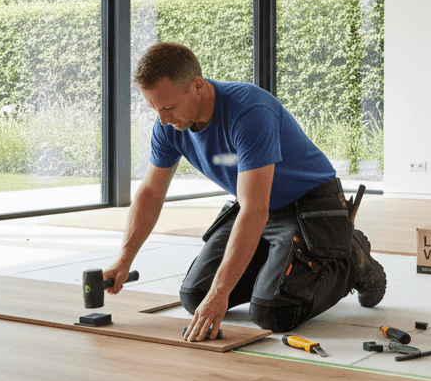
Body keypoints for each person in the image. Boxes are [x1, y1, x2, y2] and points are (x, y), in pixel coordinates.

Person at [103, 42, 386, 341]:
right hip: (260, 207)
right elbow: (150, 193)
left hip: (309, 204)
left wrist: (221, 292)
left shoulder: (249, 111)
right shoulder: (169, 126)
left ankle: (352, 259)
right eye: (154, 109)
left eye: (169, 107)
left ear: (197, 85)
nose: (162, 120)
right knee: (196, 296)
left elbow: (254, 210)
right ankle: (279, 267)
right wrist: (124, 260)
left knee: (273, 312)